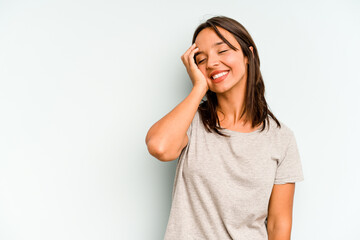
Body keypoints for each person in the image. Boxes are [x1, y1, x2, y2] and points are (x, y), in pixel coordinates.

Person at [145, 15, 304, 240]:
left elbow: (279, 225)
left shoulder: (281, 139)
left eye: (222, 51)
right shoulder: (190, 121)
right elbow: (159, 147)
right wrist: (199, 88)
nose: (211, 63)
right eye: (201, 59)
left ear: (248, 55)